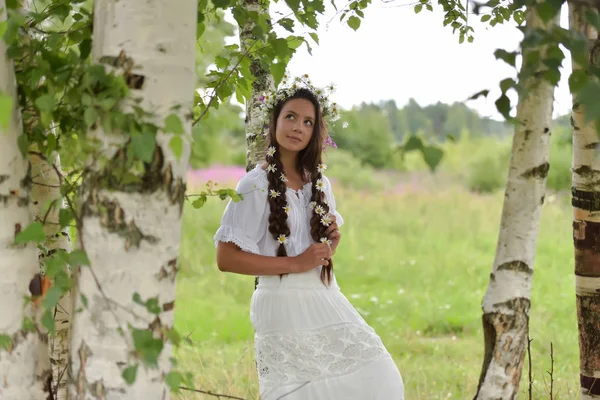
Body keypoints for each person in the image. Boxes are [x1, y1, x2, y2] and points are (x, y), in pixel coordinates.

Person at [214, 75, 404, 400]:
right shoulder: (254, 184)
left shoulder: (319, 184)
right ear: (275, 121)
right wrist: (296, 262)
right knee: (301, 393)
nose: (297, 127)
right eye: (290, 117)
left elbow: (316, 252)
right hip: (281, 301)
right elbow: (225, 258)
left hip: (323, 293)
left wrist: (330, 245)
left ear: (315, 131)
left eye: (307, 122)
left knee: (380, 376)